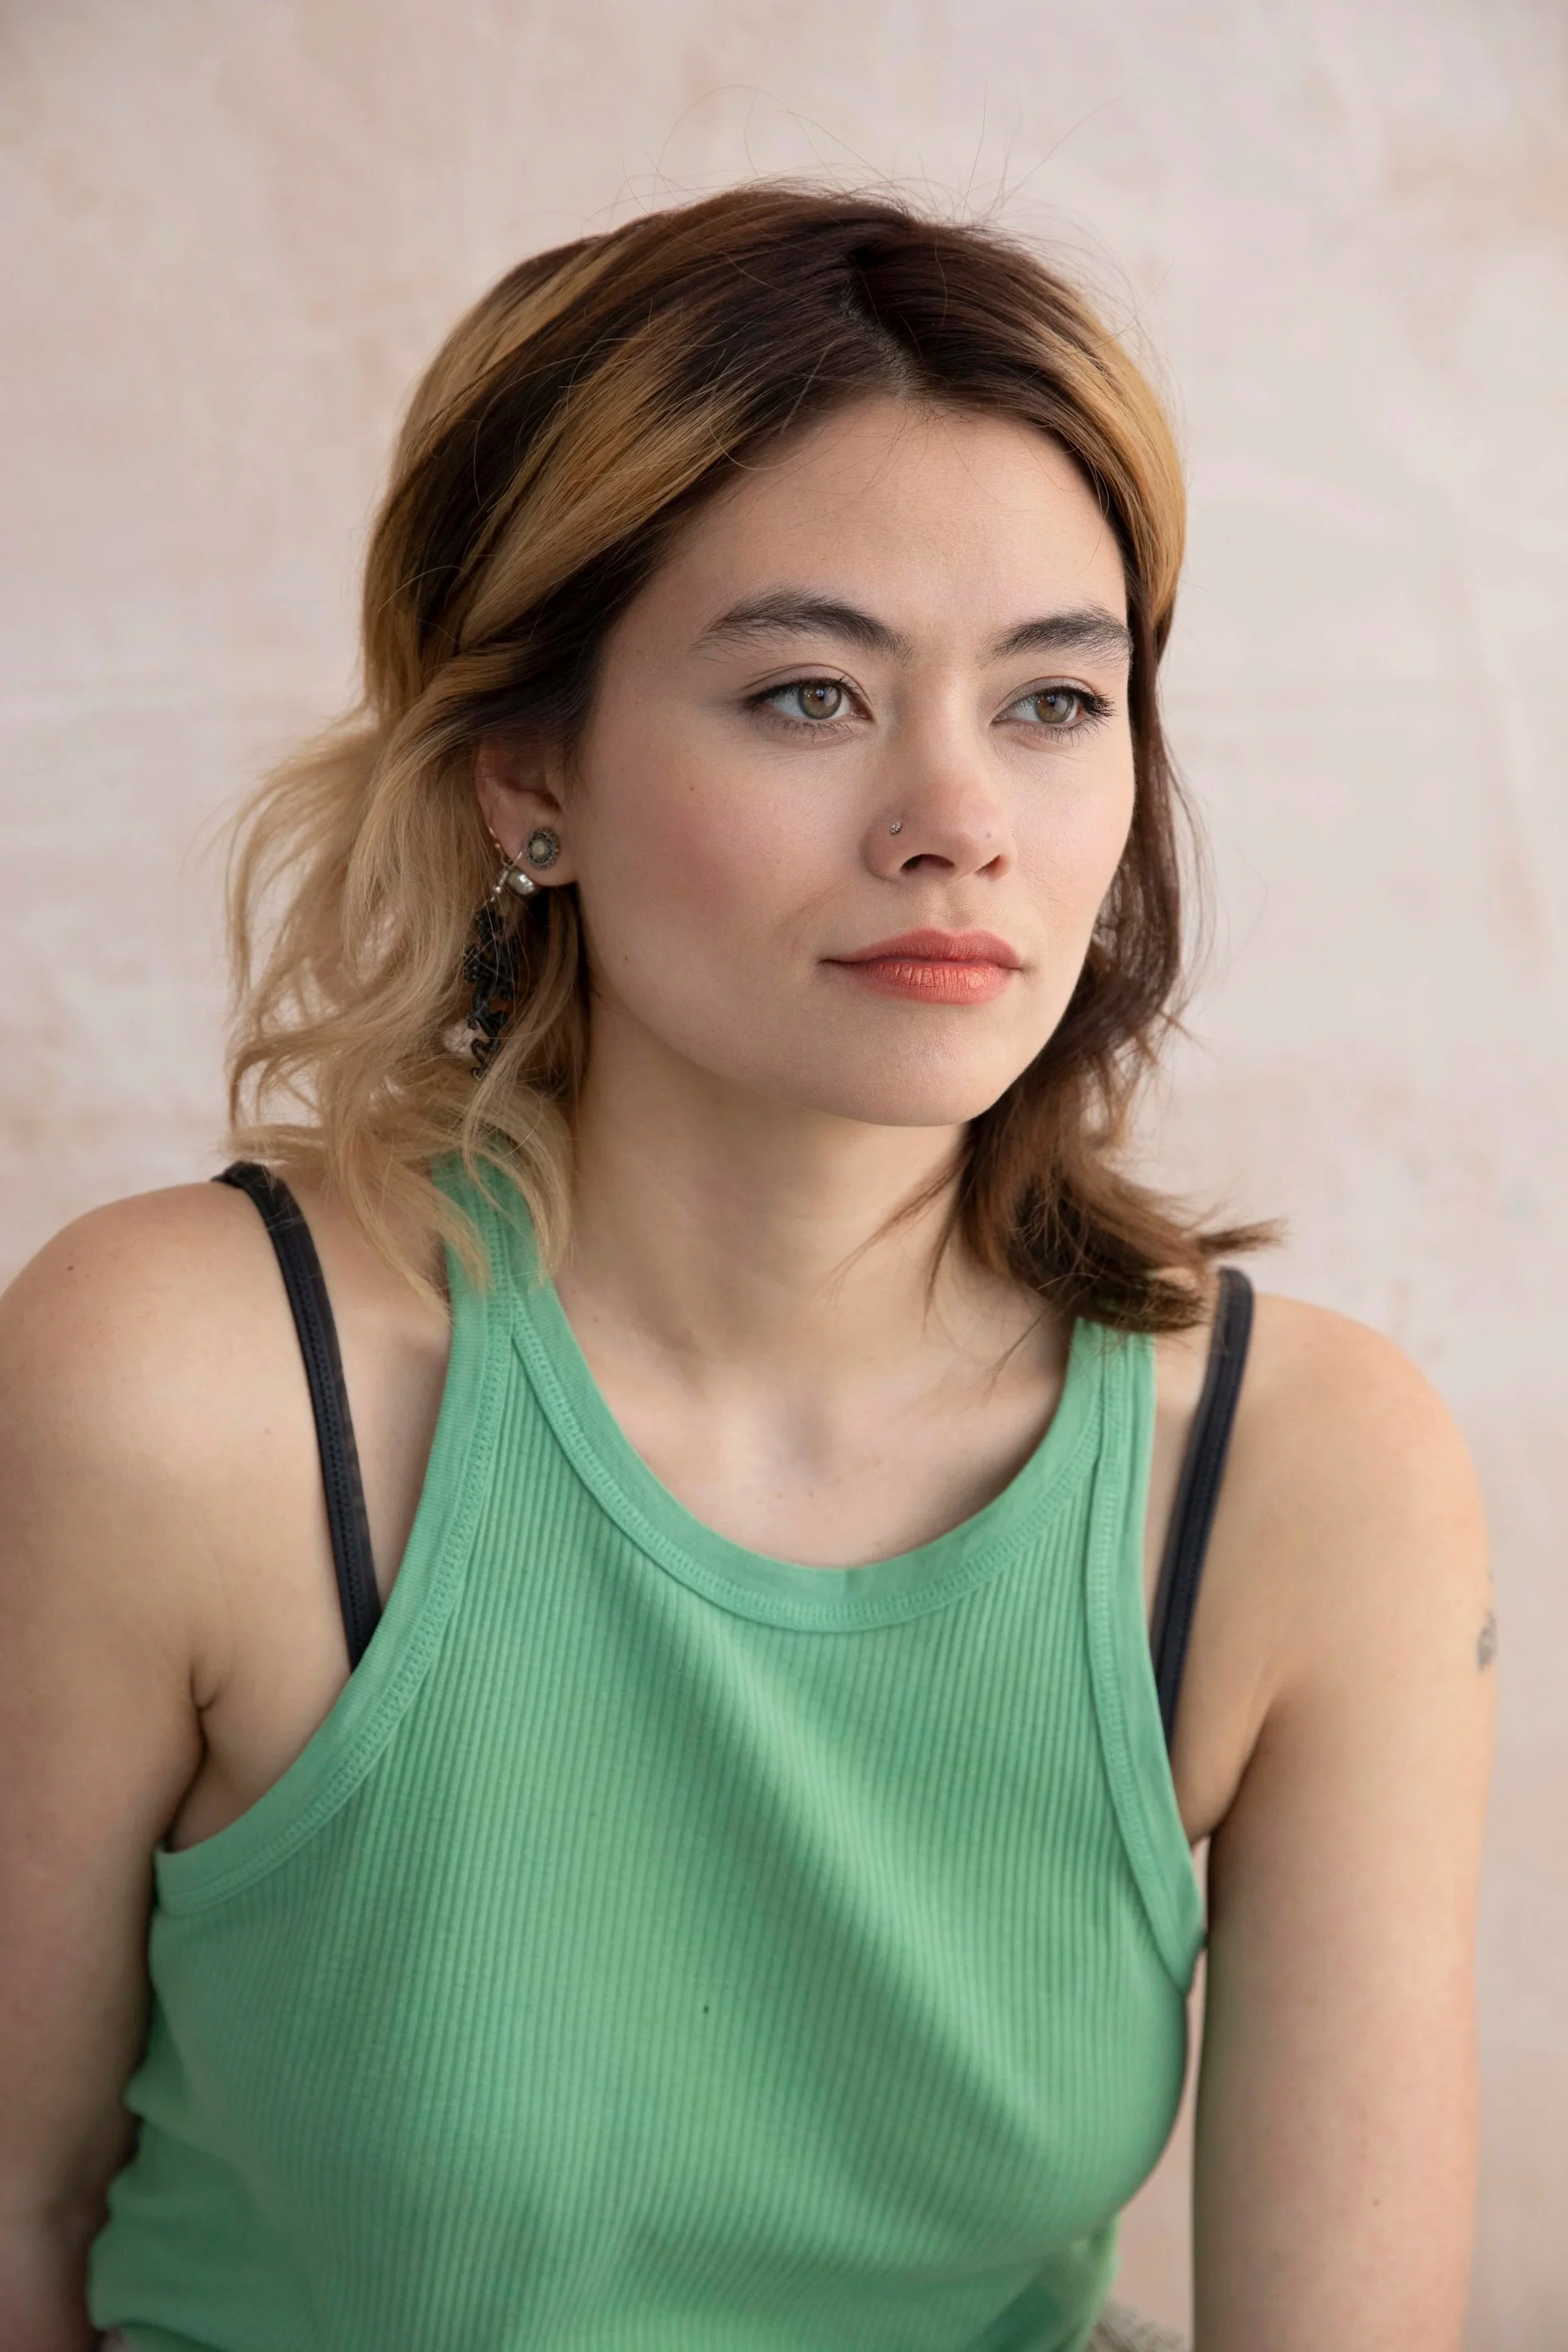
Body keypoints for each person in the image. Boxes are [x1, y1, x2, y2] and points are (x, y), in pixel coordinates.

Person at [0, 186, 1493, 2352]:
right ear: (533, 780)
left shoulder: (1301, 1472)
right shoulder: (183, 1387)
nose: (955, 817)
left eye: (1057, 702)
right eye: (809, 693)